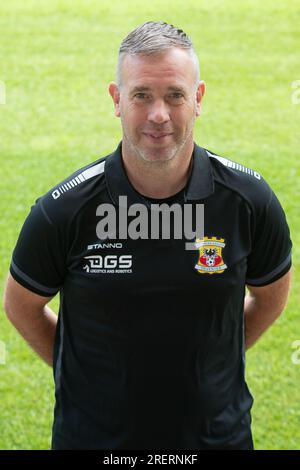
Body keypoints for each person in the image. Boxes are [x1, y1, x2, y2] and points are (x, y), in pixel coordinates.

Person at [4, 21, 292, 450]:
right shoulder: (64, 210)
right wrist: (84, 377)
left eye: (175, 95)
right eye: (142, 95)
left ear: (198, 99)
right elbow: (21, 305)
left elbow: (271, 296)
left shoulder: (248, 201)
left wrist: (216, 363)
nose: (159, 114)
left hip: (217, 441)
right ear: (117, 100)